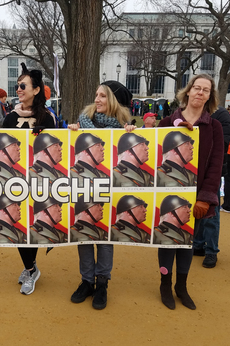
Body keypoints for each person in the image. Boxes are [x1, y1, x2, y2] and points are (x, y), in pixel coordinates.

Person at [156, 73, 223, 310]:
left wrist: (206, 197)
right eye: (197, 88)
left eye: (205, 90)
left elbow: (216, 164)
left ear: (209, 96)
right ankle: (165, 283)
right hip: (168, 193)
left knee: (187, 242)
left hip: (195, 196)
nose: (200, 93)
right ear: (188, 91)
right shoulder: (166, 123)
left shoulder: (214, 127)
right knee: (167, 240)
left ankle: (181, 286)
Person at [68, 80, 135, 310]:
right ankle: (87, 281)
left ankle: (102, 282)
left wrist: (131, 135)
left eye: (103, 96)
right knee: (85, 234)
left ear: (113, 100)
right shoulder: (83, 121)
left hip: (110, 189)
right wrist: (74, 132)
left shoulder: (124, 125)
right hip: (85, 188)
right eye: (96, 95)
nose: (97, 99)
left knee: (105, 237)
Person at [1, 62, 56, 296]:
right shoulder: (9, 117)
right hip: (14, 181)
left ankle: (30, 269)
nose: (19, 89)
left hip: (38, 182)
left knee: (33, 224)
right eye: (17, 85)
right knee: (16, 223)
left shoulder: (48, 117)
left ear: (36, 90)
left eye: (23, 85)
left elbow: (56, 149)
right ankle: (31, 268)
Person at [193, 106, 230, 268]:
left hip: (212, 172)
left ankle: (211, 250)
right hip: (192, 170)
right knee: (197, 210)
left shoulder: (221, 116)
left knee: (211, 213)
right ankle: (199, 244)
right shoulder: (191, 113)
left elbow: (222, 144)